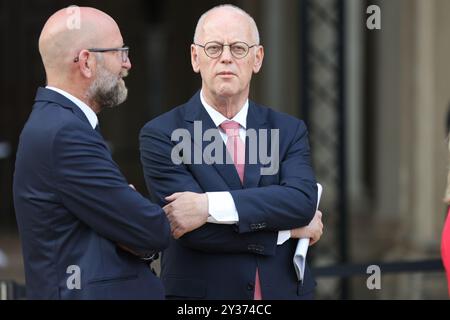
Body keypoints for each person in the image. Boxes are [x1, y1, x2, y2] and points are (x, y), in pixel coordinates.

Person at [140, 4, 323, 300]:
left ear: (257, 58)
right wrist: (287, 232)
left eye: (238, 48)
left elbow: (302, 203)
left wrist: (207, 206)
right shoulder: (162, 134)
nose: (226, 57)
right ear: (194, 57)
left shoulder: (288, 130)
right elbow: (193, 232)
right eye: (213, 48)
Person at [13, 7, 170, 300]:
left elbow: (132, 229)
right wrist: (135, 214)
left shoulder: (60, 123)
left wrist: (130, 222)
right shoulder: (65, 134)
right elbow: (152, 229)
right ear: (86, 62)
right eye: (120, 52)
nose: (128, 64)